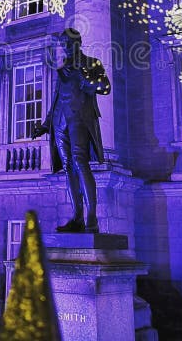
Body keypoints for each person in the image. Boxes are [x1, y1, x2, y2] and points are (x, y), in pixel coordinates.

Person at [31, 28, 111, 233]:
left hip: (79, 119)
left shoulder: (91, 63)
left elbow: (105, 87)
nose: (65, 47)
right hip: (60, 122)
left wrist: (85, 79)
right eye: (63, 44)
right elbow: (57, 99)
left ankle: (91, 218)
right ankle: (77, 217)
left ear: (78, 43)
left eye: (68, 43)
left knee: (80, 162)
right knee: (68, 167)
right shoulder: (62, 69)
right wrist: (45, 125)